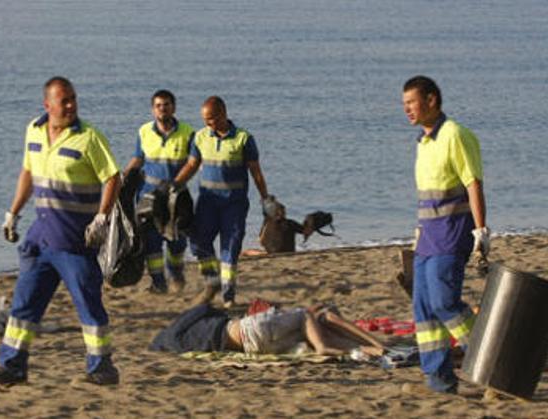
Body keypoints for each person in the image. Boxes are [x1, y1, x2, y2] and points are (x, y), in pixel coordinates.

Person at [0, 76, 121, 386]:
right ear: (48, 105)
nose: (70, 105)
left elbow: (112, 177)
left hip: (74, 241)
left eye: (73, 99)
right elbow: (27, 172)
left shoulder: (89, 137)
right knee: (24, 304)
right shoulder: (34, 131)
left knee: (88, 304)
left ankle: (102, 367)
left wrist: (101, 219)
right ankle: (12, 366)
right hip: (40, 238)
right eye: (63, 100)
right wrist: (12, 214)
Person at [402, 75, 488, 393]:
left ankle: (489, 359)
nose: (407, 110)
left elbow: (473, 183)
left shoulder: (455, 135)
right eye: (405, 104)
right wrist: (418, 232)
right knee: (423, 308)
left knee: (444, 302)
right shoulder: (423, 143)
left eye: (412, 102)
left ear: (432, 100)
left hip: (453, 235)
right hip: (428, 236)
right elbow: (429, 196)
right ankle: (439, 378)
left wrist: (481, 231)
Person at [173, 96, 276, 308]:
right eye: (205, 119)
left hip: (234, 205)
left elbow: (255, 172)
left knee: (230, 248)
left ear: (223, 114)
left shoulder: (243, 139)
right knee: (199, 242)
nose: (207, 123)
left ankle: (228, 296)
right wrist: (173, 185)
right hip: (207, 202)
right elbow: (192, 165)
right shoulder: (200, 137)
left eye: (211, 118)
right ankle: (212, 280)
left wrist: (265, 198)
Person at [122, 89, 195, 294]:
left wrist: (178, 182)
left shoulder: (188, 133)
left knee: (177, 242)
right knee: (151, 243)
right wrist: (124, 175)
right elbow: (138, 158)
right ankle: (158, 283)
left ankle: (176, 272)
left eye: (166, 105)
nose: (162, 109)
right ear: (153, 109)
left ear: (174, 107)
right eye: (158, 105)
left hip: (176, 197)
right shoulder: (144, 131)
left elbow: (193, 163)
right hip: (148, 196)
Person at [149, 301, 385, 357]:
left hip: (254, 348)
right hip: (247, 330)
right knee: (307, 314)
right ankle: (378, 345)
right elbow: (204, 309)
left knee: (312, 330)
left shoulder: (179, 346)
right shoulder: (177, 329)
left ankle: (370, 350)